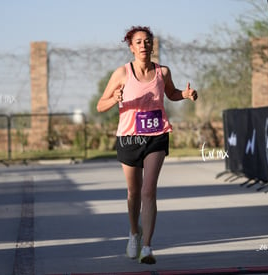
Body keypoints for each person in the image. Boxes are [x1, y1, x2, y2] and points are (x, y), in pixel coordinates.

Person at [96, 26, 198, 264]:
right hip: (129, 138)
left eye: (147, 41)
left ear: (152, 45)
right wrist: (115, 99)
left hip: (156, 135)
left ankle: (148, 247)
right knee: (133, 193)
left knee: (148, 190)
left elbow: (171, 93)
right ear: (131, 48)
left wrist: (186, 94)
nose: (144, 45)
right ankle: (134, 233)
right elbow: (100, 105)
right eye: (138, 42)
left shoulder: (163, 72)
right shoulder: (122, 73)